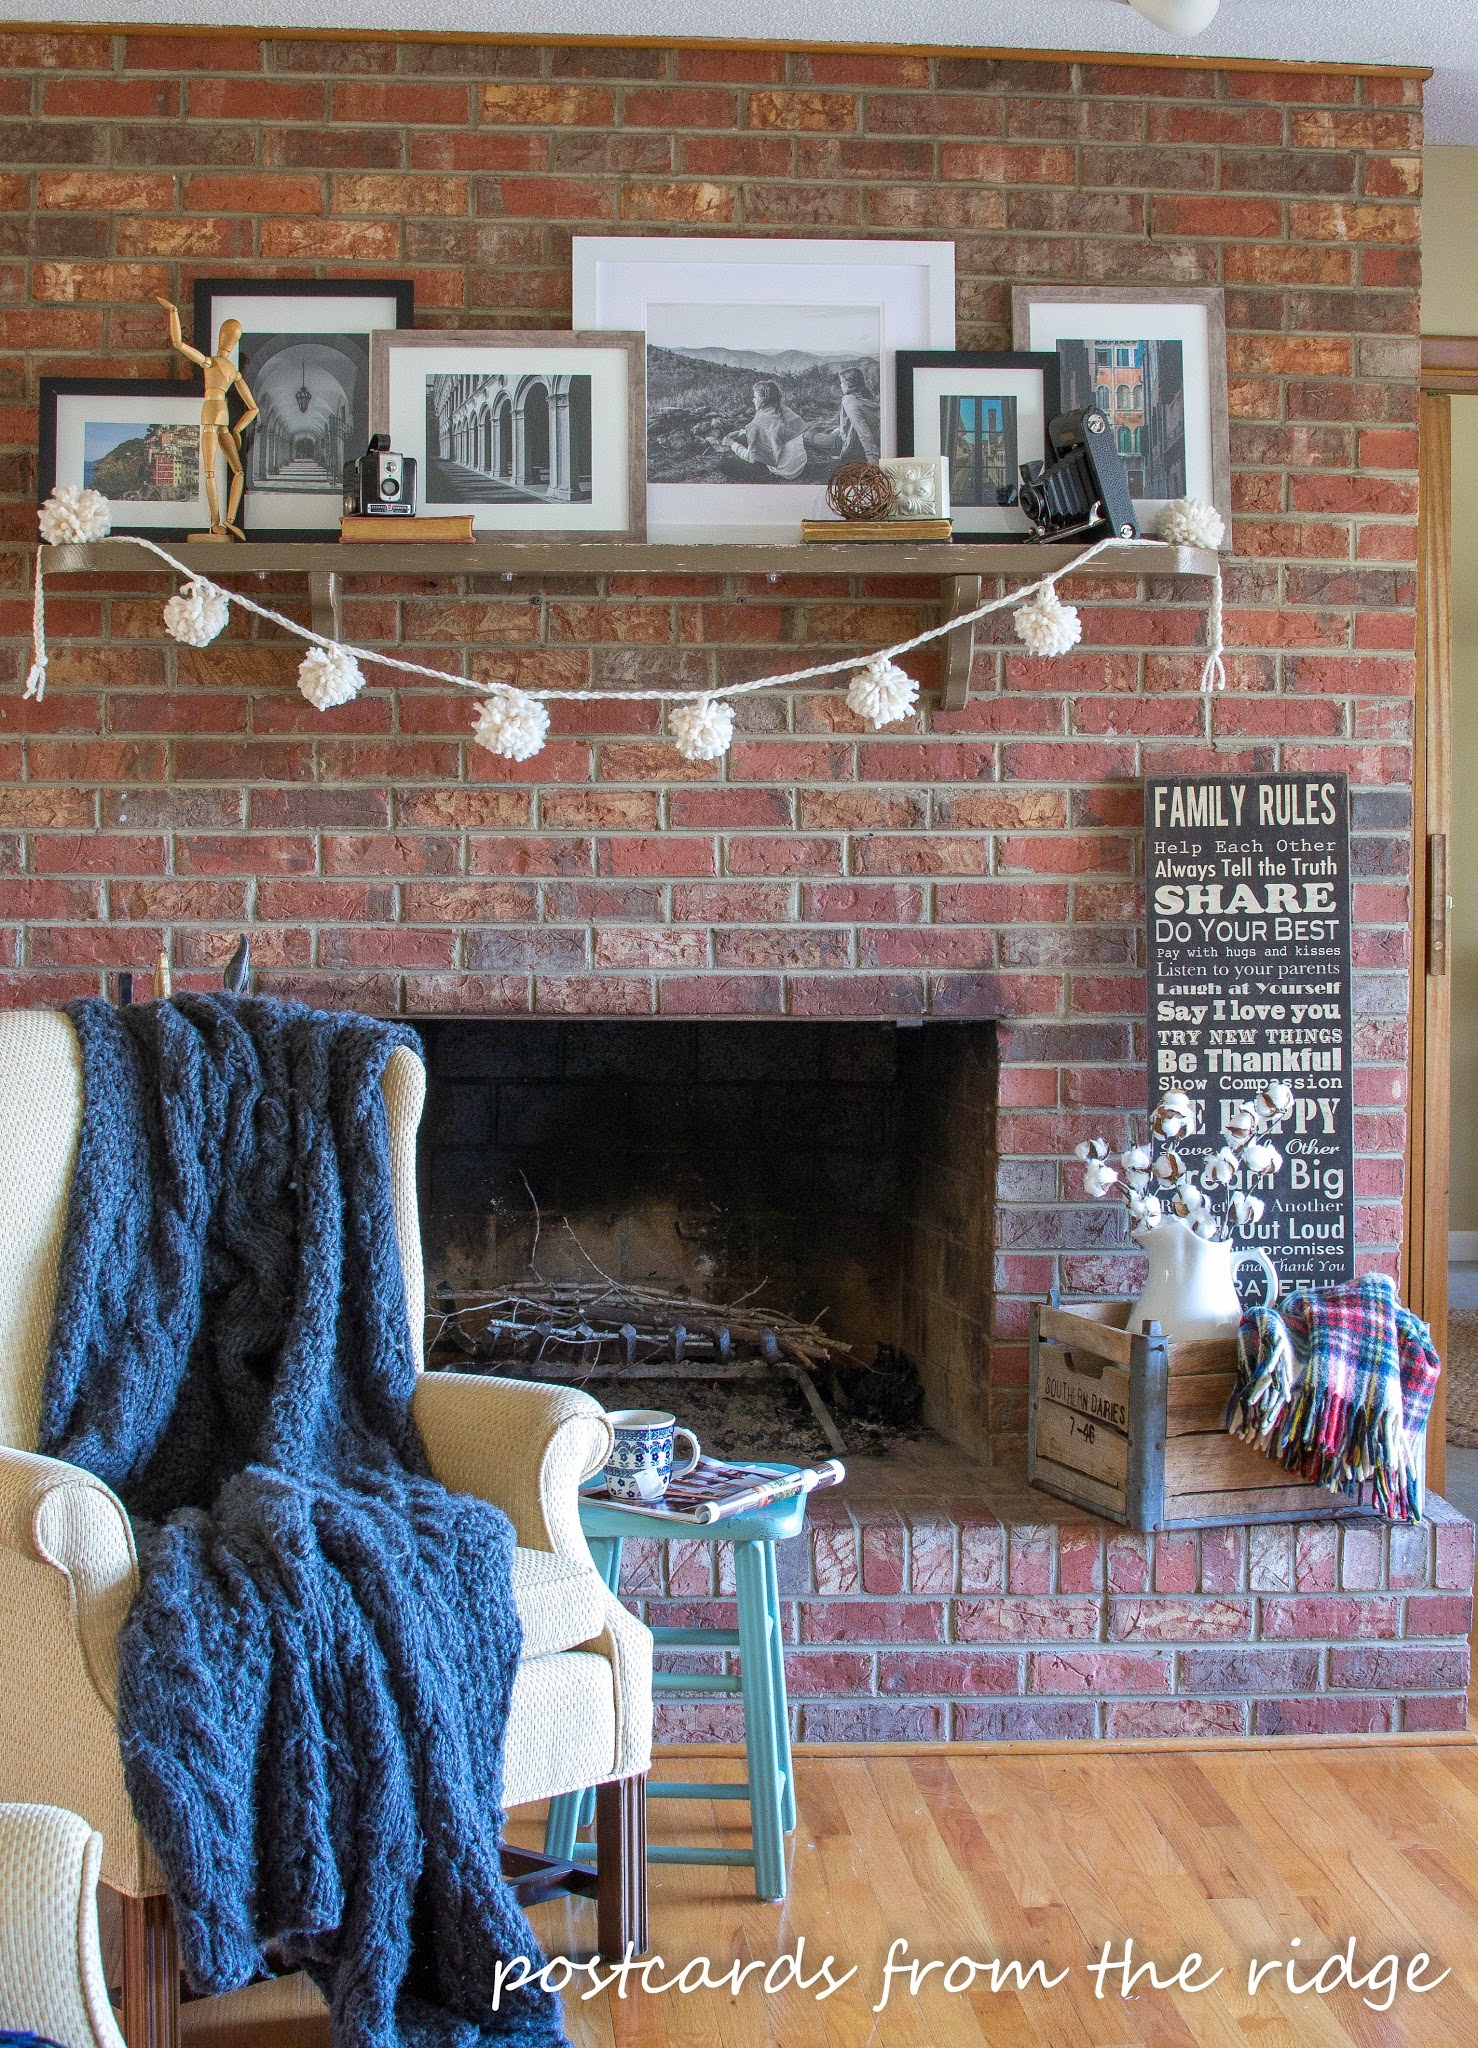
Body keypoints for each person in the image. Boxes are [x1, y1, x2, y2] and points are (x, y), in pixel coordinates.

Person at [709, 380, 808, 481]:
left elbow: (751, 458)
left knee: (722, 464)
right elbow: (770, 429)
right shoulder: (785, 410)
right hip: (800, 466)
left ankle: (768, 477)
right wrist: (740, 432)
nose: (753, 400)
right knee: (744, 437)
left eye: (755, 397)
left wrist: (732, 444)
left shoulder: (758, 422)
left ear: (763, 399)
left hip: (784, 472)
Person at [809, 365, 882, 468]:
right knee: (829, 432)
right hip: (850, 438)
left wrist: (874, 462)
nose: (841, 385)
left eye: (842, 382)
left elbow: (864, 433)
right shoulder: (867, 398)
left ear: (849, 385)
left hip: (847, 444)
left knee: (807, 437)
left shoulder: (849, 401)